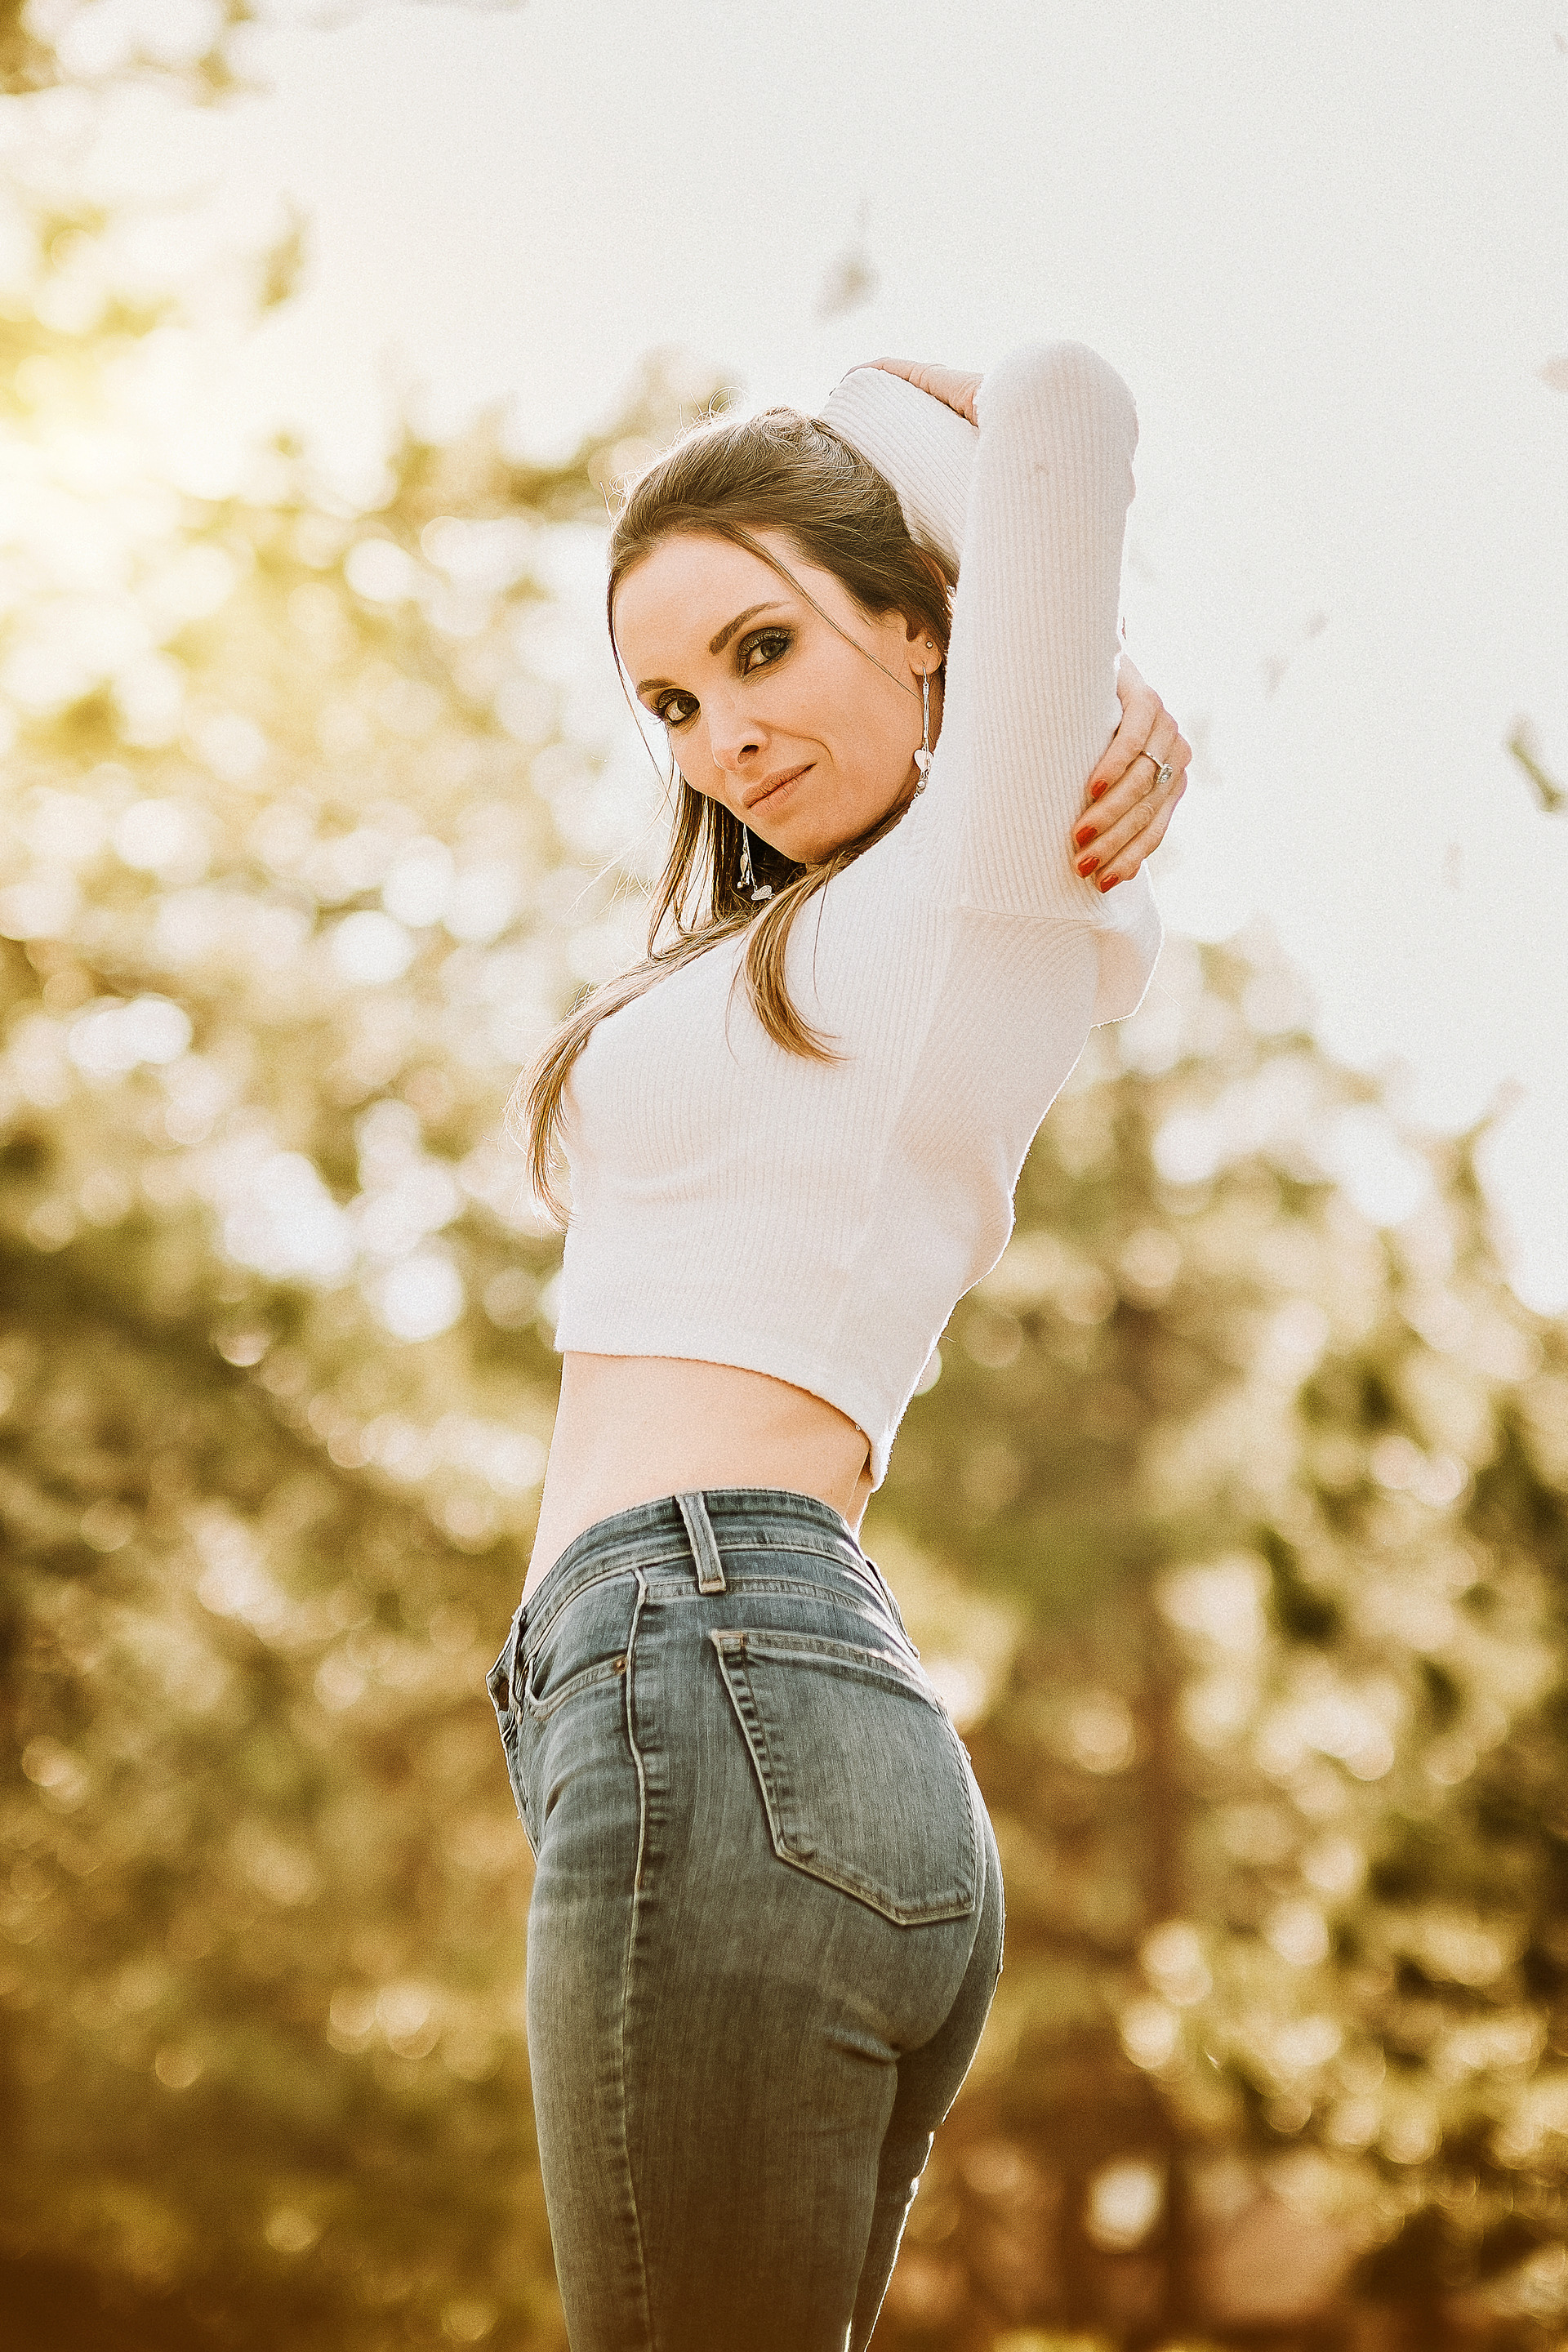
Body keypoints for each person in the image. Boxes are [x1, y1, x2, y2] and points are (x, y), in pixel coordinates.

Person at [488, 344, 1189, 2350]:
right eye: (672, 703)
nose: (723, 736)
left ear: (921, 619)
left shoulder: (983, 876)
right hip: (730, 1711)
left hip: (718, 1680)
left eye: (765, 646)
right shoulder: (842, 938)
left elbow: (1058, 406)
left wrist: (1094, 668)